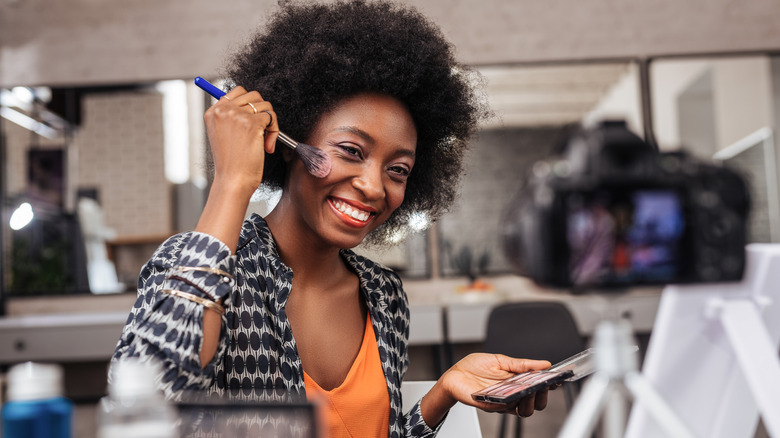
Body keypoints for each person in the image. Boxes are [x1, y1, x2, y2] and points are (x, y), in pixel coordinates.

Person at [111, 1, 552, 436]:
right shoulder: (208, 265)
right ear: (288, 143)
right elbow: (148, 402)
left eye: (397, 170)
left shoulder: (384, 296)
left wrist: (442, 394)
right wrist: (231, 183)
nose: (374, 187)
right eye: (351, 151)